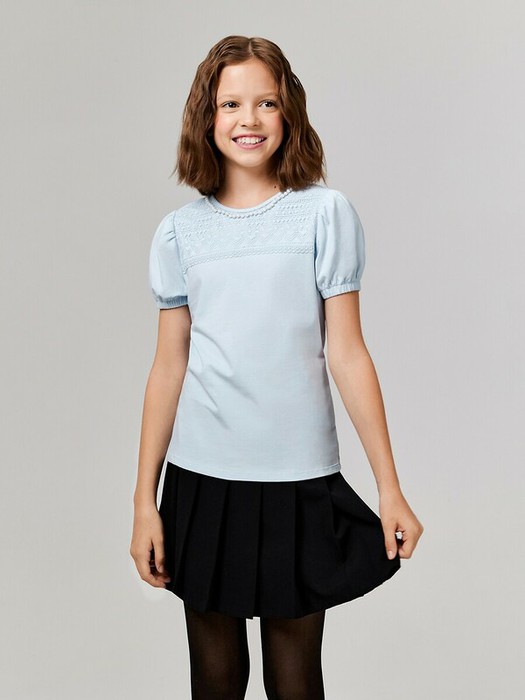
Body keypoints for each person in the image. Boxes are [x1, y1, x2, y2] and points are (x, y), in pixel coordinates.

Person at [130, 34, 424, 700]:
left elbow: (347, 353)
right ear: (207, 118)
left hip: (298, 479)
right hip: (202, 482)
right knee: (215, 681)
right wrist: (144, 502)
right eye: (230, 104)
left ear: (288, 112)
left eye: (266, 102)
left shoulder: (323, 214)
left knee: (295, 679)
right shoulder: (179, 233)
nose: (249, 119)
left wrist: (389, 487)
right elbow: (168, 367)